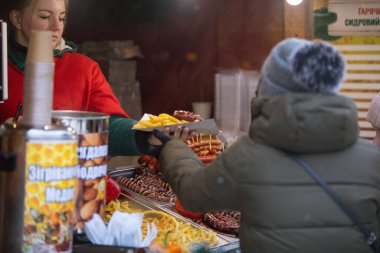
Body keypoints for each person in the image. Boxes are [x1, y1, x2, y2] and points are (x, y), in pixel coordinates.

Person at [151, 38, 380, 252]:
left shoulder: (248, 157)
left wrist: (172, 147)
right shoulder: (373, 161)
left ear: (267, 93)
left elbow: (192, 195)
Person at [0, 0, 172, 156]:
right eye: (45, 16)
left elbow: (108, 125)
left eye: (61, 18)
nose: (56, 26)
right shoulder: (4, 67)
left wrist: (146, 135)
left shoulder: (84, 69)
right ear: (17, 19)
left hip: (68, 180)